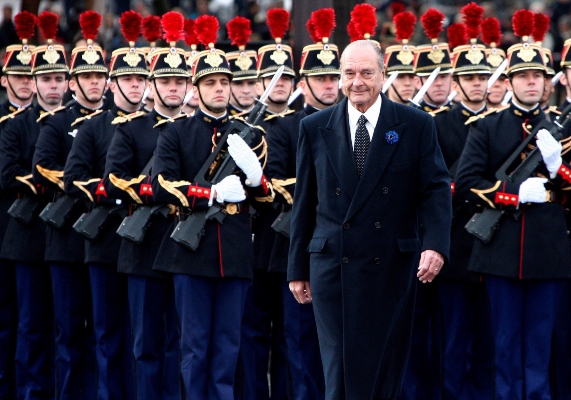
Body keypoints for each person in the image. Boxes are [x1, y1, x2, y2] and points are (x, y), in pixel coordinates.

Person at [287, 39, 452, 400]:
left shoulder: (414, 124)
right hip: (332, 266)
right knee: (339, 370)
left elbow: (435, 190)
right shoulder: (315, 127)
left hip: (391, 264)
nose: (357, 81)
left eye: (366, 73)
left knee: (384, 369)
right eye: (349, 73)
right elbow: (305, 202)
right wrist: (297, 267)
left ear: (383, 75)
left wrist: (436, 245)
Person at [151, 16, 273, 398]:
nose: (219, 90)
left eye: (224, 83)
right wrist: (212, 194)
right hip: (192, 251)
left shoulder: (249, 134)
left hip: (235, 251)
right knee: (195, 348)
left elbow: (265, 199)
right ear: (195, 89)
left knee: (227, 349)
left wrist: (256, 179)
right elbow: (161, 185)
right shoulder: (175, 132)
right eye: (210, 84)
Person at [455, 12, 571, 398]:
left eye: (538, 75)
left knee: (539, 349)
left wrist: (558, 169)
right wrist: (513, 194)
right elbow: (466, 185)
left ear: (547, 81)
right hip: (501, 252)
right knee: (503, 347)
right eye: (523, 76)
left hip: (548, 252)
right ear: (509, 82)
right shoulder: (488, 127)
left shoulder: (560, 127)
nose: (531, 82)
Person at [63, 11, 150, 399]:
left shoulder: (155, 126)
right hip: (103, 242)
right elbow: (73, 179)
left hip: (143, 243)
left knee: (143, 335)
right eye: (128, 80)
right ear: (114, 84)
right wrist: (112, 192)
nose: (135, 87)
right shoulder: (95, 126)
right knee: (106, 333)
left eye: (140, 79)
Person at [103, 12, 186, 400]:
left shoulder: (196, 129)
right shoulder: (131, 128)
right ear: (154, 85)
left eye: (179, 82)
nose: (173, 89)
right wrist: (160, 190)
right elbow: (113, 180)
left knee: (179, 343)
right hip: (144, 246)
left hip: (186, 248)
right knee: (146, 344)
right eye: (166, 81)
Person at [264, 8, 343, 399]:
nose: (329, 86)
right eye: (320, 78)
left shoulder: (355, 124)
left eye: (334, 78)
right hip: (297, 248)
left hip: (343, 250)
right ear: (304, 84)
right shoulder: (284, 127)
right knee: (298, 344)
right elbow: (278, 180)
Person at [32, 11, 108, 399]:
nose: (94, 83)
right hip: (65, 237)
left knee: (101, 330)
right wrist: (88, 184)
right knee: (65, 330)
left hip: (103, 238)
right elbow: (43, 168)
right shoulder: (58, 122)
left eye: (99, 76)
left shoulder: (116, 122)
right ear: (74, 83)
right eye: (87, 77)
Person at [432, 11, 494, 397]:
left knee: (488, 341)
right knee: (452, 341)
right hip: (454, 243)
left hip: (491, 245)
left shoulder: (498, 123)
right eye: (468, 77)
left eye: (481, 78)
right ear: (456, 82)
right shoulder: (438, 125)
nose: (476, 84)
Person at [238, 8, 293, 400]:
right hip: (250, 241)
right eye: (271, 77)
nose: (279, 84)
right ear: (258, 82)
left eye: (287, 77)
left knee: (291, 338)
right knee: (252, 336)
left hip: (289, 245)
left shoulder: (306, 123)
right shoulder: (241, 126)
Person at [0, 11, 49, 399]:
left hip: (53, 232)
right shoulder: (14, 123)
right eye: (19, 77)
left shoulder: (60, 120)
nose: (25, 85)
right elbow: (8, 174)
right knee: (18, 320)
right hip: (17, 228)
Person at [383, 11, 417, 106]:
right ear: (385, 81)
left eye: (412, 76)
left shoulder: (426, 118)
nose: (407, 83)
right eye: (399, 77)